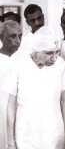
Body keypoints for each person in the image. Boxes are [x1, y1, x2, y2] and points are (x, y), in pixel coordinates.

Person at [2, 26, 65, 149]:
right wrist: (10, 140)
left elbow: (64, 101)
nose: (54, 57)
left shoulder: (60, 65)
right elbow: (11, 106)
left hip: (54, 132)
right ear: (36, 50)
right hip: (26, 134)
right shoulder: (18, 64)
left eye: (57, 51)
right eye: (49, 53)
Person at [0, 20, 22, 149]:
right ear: (2, 37)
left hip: (20, 110)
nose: (18, 40)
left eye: (20, 36)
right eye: (13, 36)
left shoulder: (25, 59)